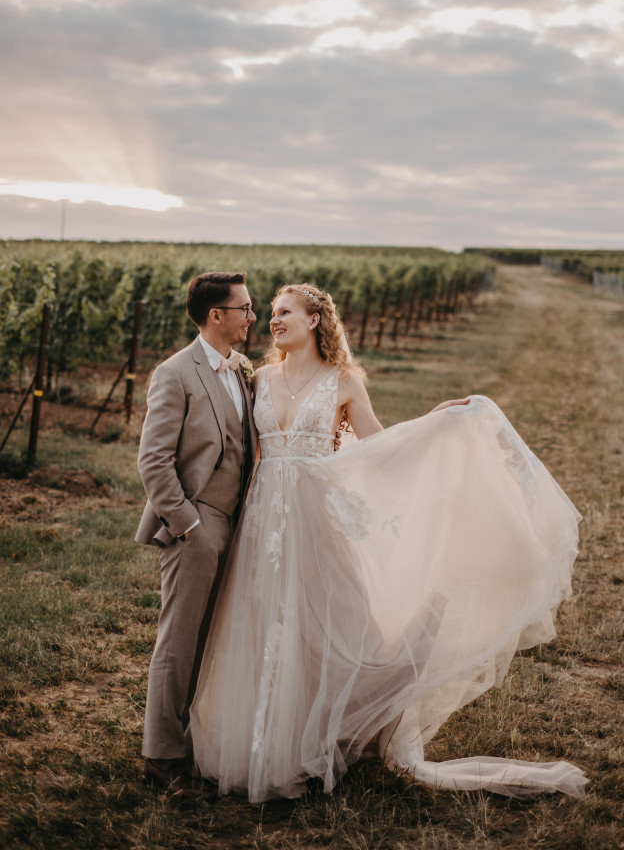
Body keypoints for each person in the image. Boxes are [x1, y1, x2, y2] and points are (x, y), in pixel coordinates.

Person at [188, 283, 588, 802]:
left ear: (314, 321)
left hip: (317, 521)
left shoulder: (344, 382)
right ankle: (262, 744)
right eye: (270, 314)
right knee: (263, 625)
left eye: (285, 312)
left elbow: (381, 448)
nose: (273, 320)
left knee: (333, 625)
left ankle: (329, 732)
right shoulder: (257, 378)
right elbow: (249, 455)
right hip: (264, 523)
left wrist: (437, 423)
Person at [135, 271, 257, 793]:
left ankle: (198, 744)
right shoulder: (175, 373)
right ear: (217, 315)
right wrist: (188, 525)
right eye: (245, 308)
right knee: (180, 641)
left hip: (240, 523)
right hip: (197, 524)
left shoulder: (241, 370)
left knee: (213, 639)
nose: (252, 317)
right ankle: (162, 757)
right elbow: (153, 460)